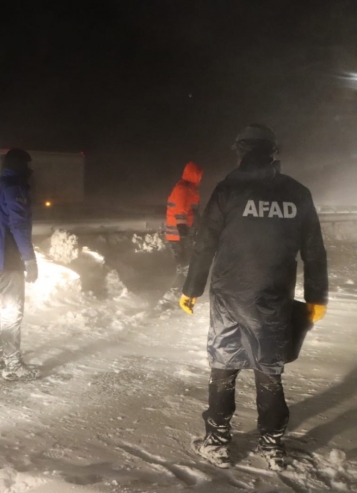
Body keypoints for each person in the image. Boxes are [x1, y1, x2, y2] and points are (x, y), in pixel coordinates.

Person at [180, 124, 328, 471]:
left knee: (224, 367)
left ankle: (217, 442)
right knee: (269, 371)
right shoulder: (297, 192)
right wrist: (316, 296)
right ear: (274, 151)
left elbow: (205, 244)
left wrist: (191, 289)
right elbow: (314, 250)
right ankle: (272, 446)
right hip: (272, 299)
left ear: (240, 152)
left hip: (229, 296)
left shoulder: (228, 190)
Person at [0, 148, 39, 381]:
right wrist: (29, 259)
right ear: (21, 165)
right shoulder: (14, 188)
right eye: (28, 165)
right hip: (8, 261)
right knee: (12, 313)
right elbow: (19, 226)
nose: (31, 170)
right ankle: (12, 364)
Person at [158, 161, 203, 308]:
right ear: (193, 175)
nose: (200, 178)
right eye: (199, 175)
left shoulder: (190, 189)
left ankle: (179, 295)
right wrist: (182, 227)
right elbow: (181, 210)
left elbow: (192, 209)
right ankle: (169, 299)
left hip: (181, 234)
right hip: (178, 236)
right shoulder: (183, 189)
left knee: (186, 267)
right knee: (185, 267)